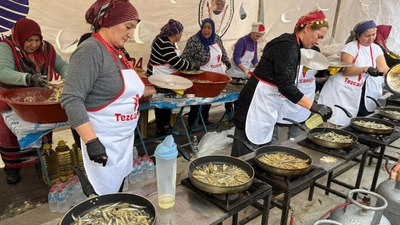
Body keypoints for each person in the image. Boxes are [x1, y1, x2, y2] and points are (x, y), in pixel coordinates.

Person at [61, 0, 155, 195]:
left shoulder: (117, 52)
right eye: (128, 27)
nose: (131, 34)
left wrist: (157, 88)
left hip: (121, 142)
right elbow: (71, 98)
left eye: (134, 28)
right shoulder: (90, 50)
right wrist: (91, 141)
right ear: (110, 21)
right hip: (103, 142)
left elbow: (123, 89)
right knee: (103, 200)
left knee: (116, 193)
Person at [231, 10, 332, 157]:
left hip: (266, 101)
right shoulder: (288, 46)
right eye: (319, 36)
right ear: (308, 28)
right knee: (244, 152)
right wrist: (314, 106)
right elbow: (286, 86)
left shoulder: (291, 44)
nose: (318, 42)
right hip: (255, 102)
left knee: (259, 148)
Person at [0, 18, 69, 184]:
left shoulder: (46, 49)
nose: (34, 45)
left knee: (42, 130)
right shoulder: (6, 47)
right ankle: (13, 168)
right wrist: (29, 78)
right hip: (10, 100)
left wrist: (72, 78)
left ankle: (41, 162)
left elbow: (62, 66)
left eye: (37, 40)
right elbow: (3, 72)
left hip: (37, 100)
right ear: (20, 37)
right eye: (29, 40)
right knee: (10, 137)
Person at [318, 20, 390, 125]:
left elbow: (383, 68)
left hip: (367, 89)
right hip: (345, 89)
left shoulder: (376, 48)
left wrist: (394, 75)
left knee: (364, 119)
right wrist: (365, 69)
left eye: (373, 34)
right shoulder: (350, 47)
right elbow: (347, 71)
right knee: (340, 118)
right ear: (358, 36)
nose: (371, 38)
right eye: (367, 36)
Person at [146, 19, 194, 136]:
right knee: (162, 102)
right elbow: (175, 62)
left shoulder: (167, 41)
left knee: (167, 100)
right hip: (159, 76)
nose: (181, 35)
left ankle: (166, 126)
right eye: (181, 33)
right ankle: (162, 128)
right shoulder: (164, 42)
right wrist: (191, 66)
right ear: (176, 33)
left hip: (165, 76)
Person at [181, 18, 231, 128]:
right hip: (200, 77)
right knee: (197, 101)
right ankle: (192, 124)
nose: (206, 30)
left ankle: (204, 119)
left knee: (209, 99)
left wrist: (226, 61)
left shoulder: (217, 39)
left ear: (213, 29)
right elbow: (184, 58)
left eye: (209, 28)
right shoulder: (194, 40)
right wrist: (193, 66)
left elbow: (223, 52)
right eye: (204, 27)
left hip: (215, 75)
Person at [272, 53, 320, 144]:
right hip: (283, 106)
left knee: (295, 141)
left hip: (303, 108)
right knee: (272, 138)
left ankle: (290, 153)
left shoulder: (316, 68)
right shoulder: (288, 66)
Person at [225, 22, 264, 120]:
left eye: (259, 36)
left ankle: (238, 114)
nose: (256, 37)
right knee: (230, 94)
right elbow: (236, 58)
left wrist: (259, 69)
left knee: (240, 95)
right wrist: (245, 71)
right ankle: (229, 112)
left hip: (244, 72)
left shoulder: (255, 43)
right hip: (234, 71)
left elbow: (254, 59)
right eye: (256, 35)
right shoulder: (242, 41)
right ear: (252, 32)